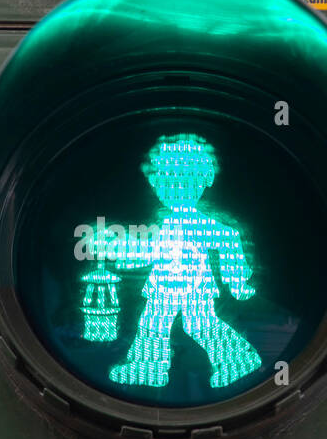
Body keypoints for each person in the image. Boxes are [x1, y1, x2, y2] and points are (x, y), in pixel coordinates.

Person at [88, 132, 262, 390]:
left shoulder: (197, 224)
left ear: (204, 180)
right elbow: (150, 251)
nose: (175, 188)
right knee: (153, 322)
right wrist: (117, 250)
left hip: (193, 287)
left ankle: (238, 359)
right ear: (155, 183)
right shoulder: (169, 224)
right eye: (165, 181)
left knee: (198, 324)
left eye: (185, 179)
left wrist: (236, 280)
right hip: (164, 286)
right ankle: (146, 369)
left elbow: (228, 237)